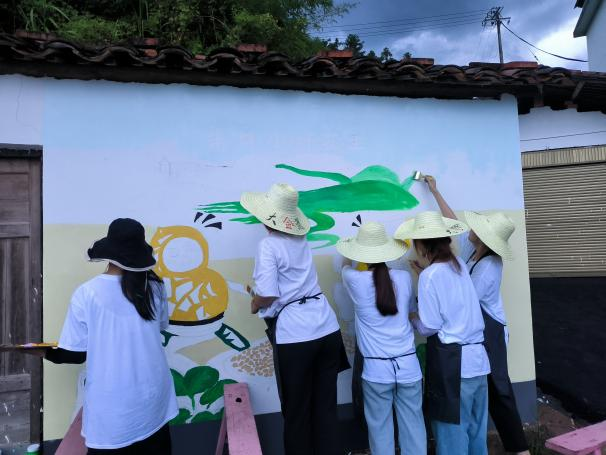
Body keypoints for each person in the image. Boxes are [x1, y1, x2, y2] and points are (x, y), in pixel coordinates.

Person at [25, 218, 178, 454]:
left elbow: (75, 355)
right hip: (154, 399)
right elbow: (159, 327)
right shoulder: (155, 287)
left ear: (109, 252)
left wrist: (42, 351)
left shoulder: (87, 294)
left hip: (113, 411)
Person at [425, 175, 530, 455]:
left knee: (499, 388)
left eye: (476, 227)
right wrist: (435, 191)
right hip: (477, 328)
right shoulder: (473, 250)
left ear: (483, 238)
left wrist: (430, 276)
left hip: (491, 331)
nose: (469, 228)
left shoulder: (488, 267)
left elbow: (464, 298)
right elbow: (452, 222)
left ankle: (520, 448)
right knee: (488, 387)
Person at [242, 183, 348, 455]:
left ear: (266, 216)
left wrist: (255, 303)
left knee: (297, 412)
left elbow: (267, 294)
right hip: (326, 327)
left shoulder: (268, 244)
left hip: (296, 336)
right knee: (325, 408)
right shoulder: (300, 240)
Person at [396, 211, 490, 455]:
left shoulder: (430, 276)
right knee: (476, 434)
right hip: (479, 362)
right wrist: (424, 274)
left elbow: (430, 326)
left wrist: (412, 317)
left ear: (421, 245)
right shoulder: (459, 265)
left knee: (451, 439)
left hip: (453, 365)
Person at [337, 222, 426, 455]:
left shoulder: (355, 280)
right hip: (408, 367)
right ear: (387, 250)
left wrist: (351, 249)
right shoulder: (404, 278)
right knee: (414, 427)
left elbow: (345, 264)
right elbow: (410, 311)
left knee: (380, 432)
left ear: (362, 253)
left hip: (376, 372)